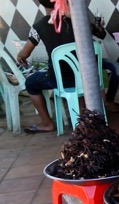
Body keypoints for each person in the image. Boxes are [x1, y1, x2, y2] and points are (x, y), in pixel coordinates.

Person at [17, 0, 74, 133]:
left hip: (57, 79)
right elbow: (100, 34)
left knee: (31, 82)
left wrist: (20, 57)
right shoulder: (76, 22)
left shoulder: (39, 26)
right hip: (84, 77)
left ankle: (47, 123)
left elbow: (25, 53)